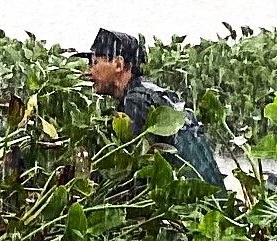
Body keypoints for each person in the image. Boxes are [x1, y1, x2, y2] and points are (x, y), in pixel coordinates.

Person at [85, 27, 227, 188]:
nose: (89, 72)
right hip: (210, 200)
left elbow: (134, 172)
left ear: (118, 64)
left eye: (94, 62)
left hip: (186, 203)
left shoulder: (135, 101)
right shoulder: (151, 93)